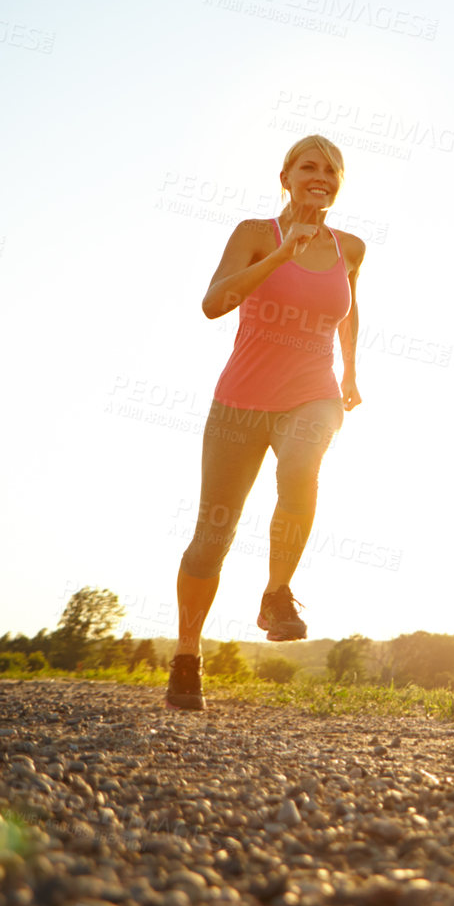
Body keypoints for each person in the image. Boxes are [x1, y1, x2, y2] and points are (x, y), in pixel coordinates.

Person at [165, 135, 365, 711]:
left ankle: (278, 595)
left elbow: (349, 312)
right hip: (241, 403)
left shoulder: (351, 247)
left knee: (304, 466)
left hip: (313, 394)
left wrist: (350, 373)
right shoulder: (256, 235)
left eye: (331, 168)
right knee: (212, 539)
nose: (320, 175)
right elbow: (213, 303)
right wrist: (282, 254)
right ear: (286, 176)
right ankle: (186, 653)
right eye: (308, 166)